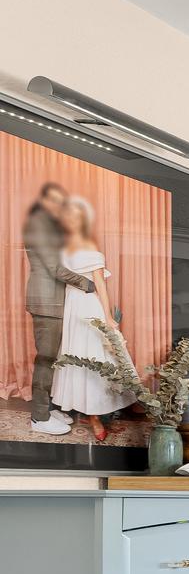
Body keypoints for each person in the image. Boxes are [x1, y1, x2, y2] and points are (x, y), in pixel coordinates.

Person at [47, 196, 135, 443]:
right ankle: (79, 406)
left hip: (89, 307)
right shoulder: (60, 247)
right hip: (70, 309)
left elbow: (100, 287)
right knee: (74, 357)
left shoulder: (90, 246)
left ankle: (95, 414)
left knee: (94, 356)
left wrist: (108, 317)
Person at [21, 181, 99, 436]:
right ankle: (39, 417)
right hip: (47, 303)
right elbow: (56, 269)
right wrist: (89, 284)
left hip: (56, 303)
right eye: (52, 200)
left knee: (54, 360)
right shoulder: (37, 224)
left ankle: (49, 407)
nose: (57, 206)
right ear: (43, 202)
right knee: (45, 360)